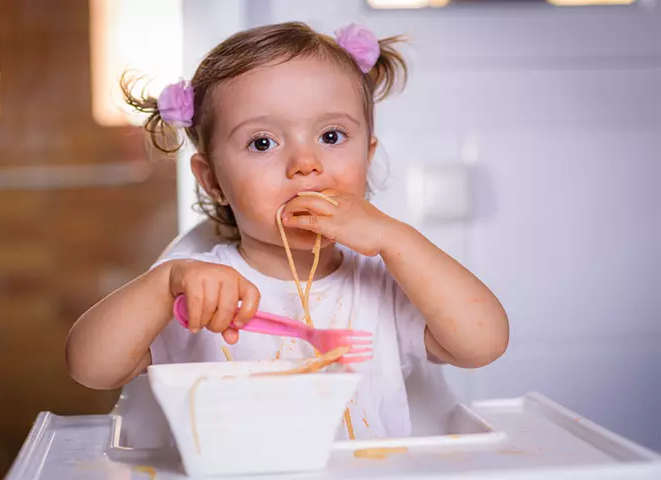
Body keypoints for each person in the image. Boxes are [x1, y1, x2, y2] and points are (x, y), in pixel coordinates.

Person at [65, 21, 509, 440]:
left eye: (332, 136)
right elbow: (89, 368)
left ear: (368, 157)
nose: (305, 164)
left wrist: (396, 239)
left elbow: (483, 344)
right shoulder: (198, 289)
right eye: (262, 143)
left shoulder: (384, 283)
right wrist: (165, 283)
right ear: (213, 180)